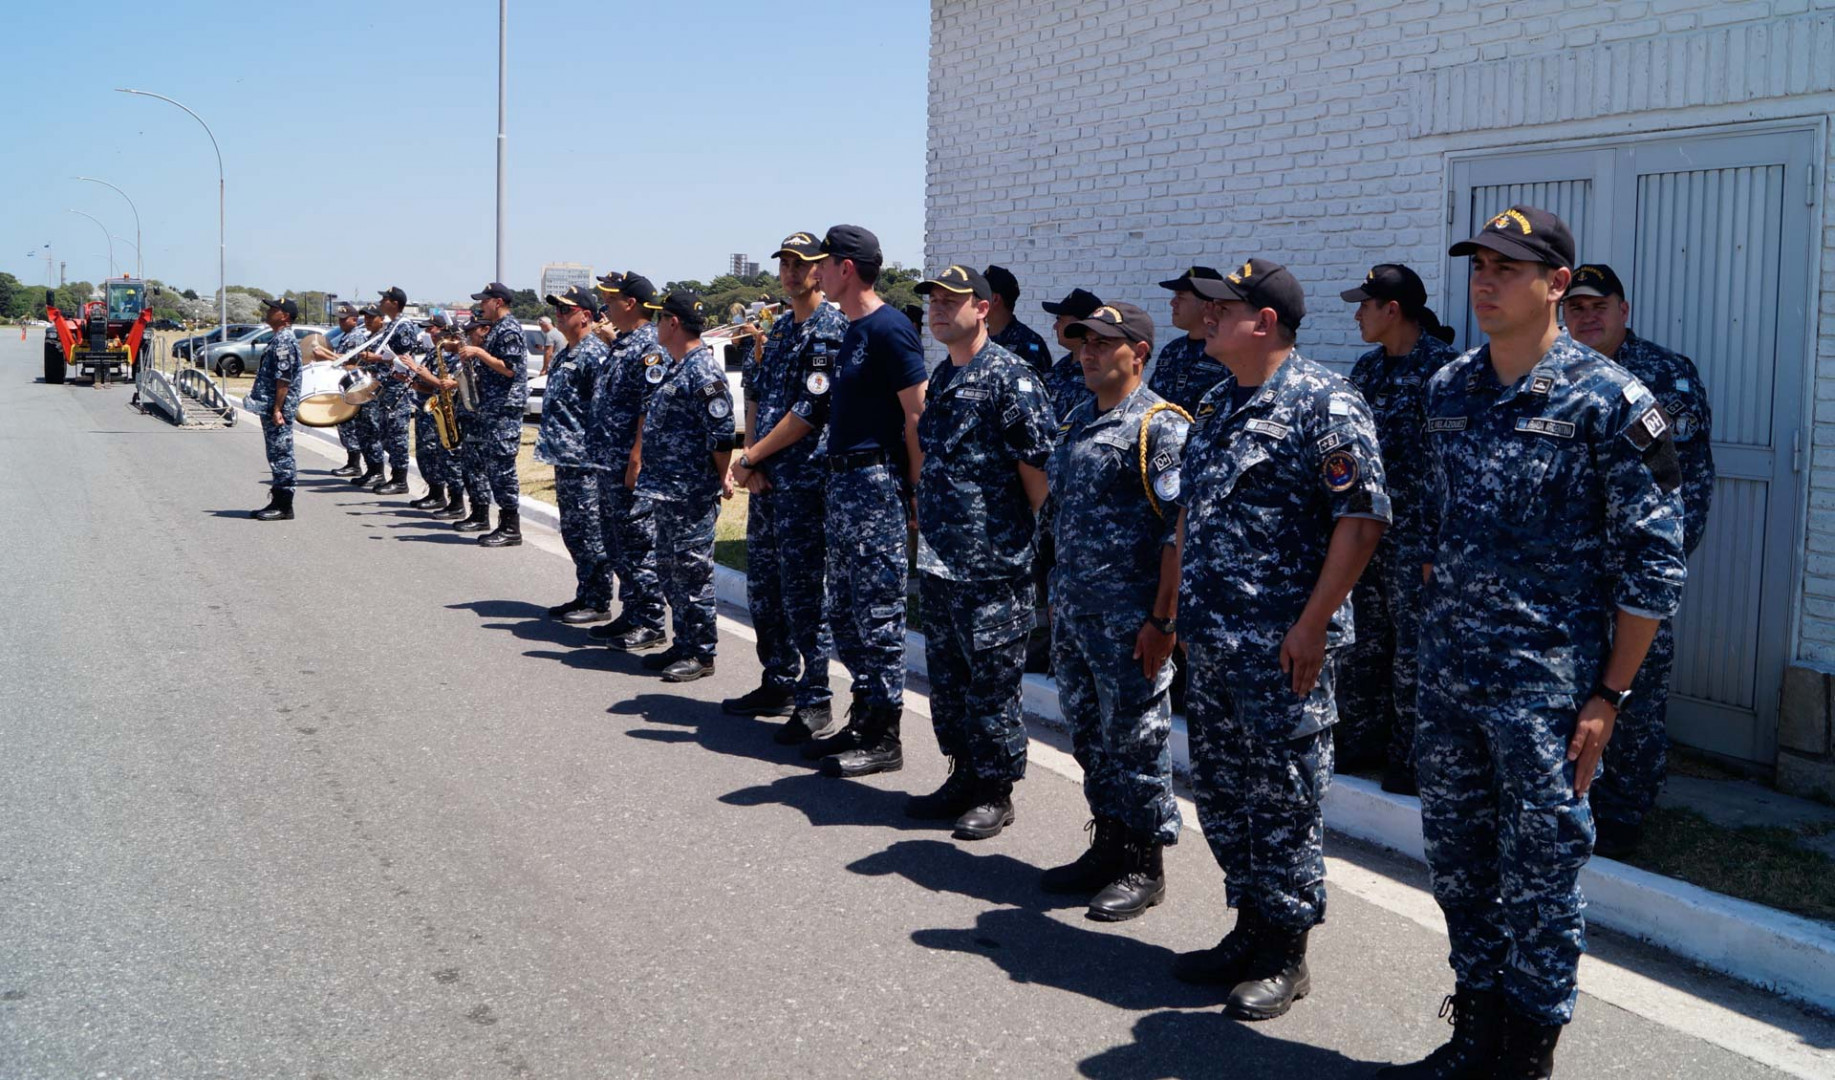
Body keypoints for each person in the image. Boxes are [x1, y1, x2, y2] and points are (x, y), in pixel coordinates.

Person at [1380, 207, 1687, 1078]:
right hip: (1451, 681)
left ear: (1555, 284)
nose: (1484, 282)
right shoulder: (1448, 388)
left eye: (1506, 269)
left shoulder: (1612, 400)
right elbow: (1434, 522)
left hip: (1547, 693)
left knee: (1542, 878)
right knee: (1459, 866)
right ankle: (1474, 1032)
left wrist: (1609, 696)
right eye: (1478, 266)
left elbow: (1653, 564)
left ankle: (1526, 1055)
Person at [1172, 258, 1389, 1022]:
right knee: (1224, 798)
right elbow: (1192, 515)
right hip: (1215, 644)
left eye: (1222, 308)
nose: (1206, 317)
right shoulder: (1215, 401)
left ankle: (1285, 954)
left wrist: (1311, 624)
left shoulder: (1324, 402)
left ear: (1263, 322)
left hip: (1282, 650)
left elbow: (1359, 520)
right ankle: (1249, 929)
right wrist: (1181, 615)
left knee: (1284, 803)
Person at [1562, 262, 1715, 859]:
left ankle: (1625, 814)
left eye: (1599, 306)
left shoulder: (1666, 377)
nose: (1587, 316)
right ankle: (1571, 798)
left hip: (1633, 579)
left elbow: (1689, 485)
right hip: (1567, 580)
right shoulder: (1551, 375)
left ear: (1624, 312)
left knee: (1636, 697)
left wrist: (1654, 569)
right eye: (1576, 307)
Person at [1039, 301, 1187, 919]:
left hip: (1130, 625)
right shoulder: (1077, 419)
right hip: (1077, 617)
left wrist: (1163, 621)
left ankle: (1144, 863)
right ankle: (1109, 843)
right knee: (1091, 741)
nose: (1088, 352)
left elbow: (1179, 532)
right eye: (1084, 343)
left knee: (1137, 742)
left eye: (1103, 342)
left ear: (1140, 352)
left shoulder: (1159, 426)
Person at [902, 264, 1054, 839]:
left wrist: (1018, 547)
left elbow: (1038, 478)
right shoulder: (944, 375)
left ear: (983, 308)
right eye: (934, 301)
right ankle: (963, 774)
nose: (938, 310)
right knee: (949, 684)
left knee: (992, 687)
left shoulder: (1011, 378)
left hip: (993, 569)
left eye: (952, 300)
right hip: (942, 564)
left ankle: (995, 791)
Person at [801, 225, 929, 773]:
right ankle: (864, 715)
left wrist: (917, 493)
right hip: (844, 485)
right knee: (846, 611)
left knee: (878, 611)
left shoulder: (888, 328)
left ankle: (885, 734)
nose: (816, 273)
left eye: (823, 264)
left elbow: (916, 414)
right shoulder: (852, 329)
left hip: (875, 484)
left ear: (846, 268)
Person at [1336, 265, 1462, 795]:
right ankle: (1361, 737)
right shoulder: (1366, 370)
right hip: (1367, 532)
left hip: (1418, 540)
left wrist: (1436, 545)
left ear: (1393, 310)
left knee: (1416, 649)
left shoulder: (1446, 373)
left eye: (1365, 305)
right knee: (1362, 640)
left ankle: (1411, 756)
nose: (1358, 315)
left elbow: (1453, 469)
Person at [725, 231, 849, 742]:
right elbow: (755, 393)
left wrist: (752, 456)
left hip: (803, 484)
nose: (792, 272)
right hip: (767, 481)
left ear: (821, 270)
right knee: (765, 590)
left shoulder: (829, 330)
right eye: (785, 264)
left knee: (804, 595)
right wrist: (752, 457)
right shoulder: (778, 331)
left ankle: (815, 699)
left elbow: (810, 409)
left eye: (802, 263)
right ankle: (777, 681)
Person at [630, 291, 736, 682]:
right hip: (666, 490)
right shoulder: (677, 367)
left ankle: (701, 653)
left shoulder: (702, 371)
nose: (656, 326)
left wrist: (719, 477)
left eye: (660, 319)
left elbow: (722, 434)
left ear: (673, 323)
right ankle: (683, 641)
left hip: (690, 493)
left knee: (693, 575)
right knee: (670, 571)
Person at [586, 272, 669, 651]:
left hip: (627, 464)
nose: (605, 306)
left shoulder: (648, 347)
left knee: (637, 542)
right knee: (616, 541)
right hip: (609, 463)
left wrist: (637, 457)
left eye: (611, 299)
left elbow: (649, 408)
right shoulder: (622, 344)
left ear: (631, 303)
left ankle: (650, 620)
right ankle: (632, 612)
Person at [535, 286, 615, 624]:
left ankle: (598, 600)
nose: (559, 315)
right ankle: (586, 592)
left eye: (566, 309)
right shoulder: (566, 353)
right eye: (557, 309)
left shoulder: (594, 354)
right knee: (574, 532)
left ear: (586, 315)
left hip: (586, 461)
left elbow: (604, 410)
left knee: (591, 532)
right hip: (565, 458)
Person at [451, 282, 531, 547]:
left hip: (504, 410)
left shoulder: (509, 329)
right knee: (493, 468)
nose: (481, 305)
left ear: (498, 302)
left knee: (502, 468)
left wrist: (479, 352)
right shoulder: (498, 328)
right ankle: (500, 522)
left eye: (485, 301)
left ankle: (510, 527)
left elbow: (510, 369)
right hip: (492, 409)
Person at [433, 313, 493, 523]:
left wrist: (454, 383)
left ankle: (481, 515)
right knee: (468, 469)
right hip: (466, 415)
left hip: (478, 418)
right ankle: (473, 511)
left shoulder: (483, 354)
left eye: (470, 333)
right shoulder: (469, 355)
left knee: (477, 469)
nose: (465, 338)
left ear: (484, 330)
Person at [248, 298, 303, 521]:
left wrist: (278, 408)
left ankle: (284, 505)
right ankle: (278, 500)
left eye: (274, 309)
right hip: (272, 407)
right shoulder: (279, 338)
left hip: (279, 409)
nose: (269, 311)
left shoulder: (284, 341)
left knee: (282, 454)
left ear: (285, 316)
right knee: (276, 453)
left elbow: (284, 378)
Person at [1149, 266, 1230, 414]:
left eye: (1181, 296)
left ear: (1207, 305)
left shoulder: (1229, 353)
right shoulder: (1172, 351)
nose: (1173, 303)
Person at [407, 312, 464, 513]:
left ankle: (455, 502)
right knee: (427, 455)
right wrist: (413, 381)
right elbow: (430, 387)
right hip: (429, 409)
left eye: (434, 330)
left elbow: (447, 386)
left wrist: (422, 373)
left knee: (448, 458)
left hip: (448, 413)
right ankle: (435, 493)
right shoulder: (435, 352)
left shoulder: (459, 356)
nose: (431, 334)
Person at [1039, 287, 1104, 423]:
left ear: (1080, 325)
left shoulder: (1097, 371)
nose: (1055, 326)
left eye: (1060, 319)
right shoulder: (1062, 366)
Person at [319, 302, 366, 477]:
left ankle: (354, 464)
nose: (340, 322)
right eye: (339, 319)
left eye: (344, 319)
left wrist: (325, 355)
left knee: (349, 425)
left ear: (354, 320)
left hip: (353, 385)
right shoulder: (347, 336)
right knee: (345, 425)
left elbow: (349, 361)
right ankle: (352, 462)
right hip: (345, 385)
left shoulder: (355, 336)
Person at [984, 265, 1053, 374]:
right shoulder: (977, 340)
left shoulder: (1029, 342)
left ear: (995, 299)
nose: (974, 299)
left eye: (979, 294)